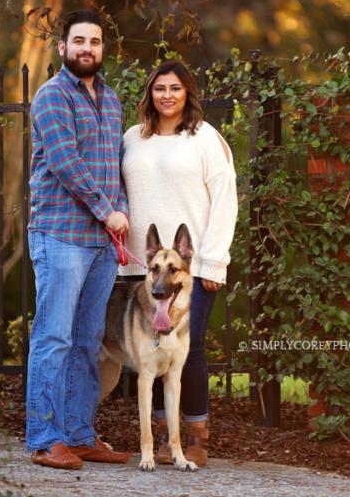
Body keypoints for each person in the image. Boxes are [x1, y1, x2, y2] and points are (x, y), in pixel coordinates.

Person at [118, 59, 239, 467]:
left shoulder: (205, 139)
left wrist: (213, 262)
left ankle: (197, 438)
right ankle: (163, 439)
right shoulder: (133, 138)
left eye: (174, 87)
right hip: (140, 266)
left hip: (190, 269)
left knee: (192, 349)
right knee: (150, 350)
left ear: (188, 92)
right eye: (159, 88)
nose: (166, 95)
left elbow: (226, 200)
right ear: (149, 93)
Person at [26, 9, 132, 470]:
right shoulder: (50, 97)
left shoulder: (110, 100)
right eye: (79, 41)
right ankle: (45, 438)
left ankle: (79, 433)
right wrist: (106, 210)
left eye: (95, 41)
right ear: (63, 47)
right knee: (54, 337)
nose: (87, 48)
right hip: (61, 235)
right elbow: (67, 163)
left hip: (101, 243)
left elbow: (115, 166)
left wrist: (122, 208)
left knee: (88, 339)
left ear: (103, 48)